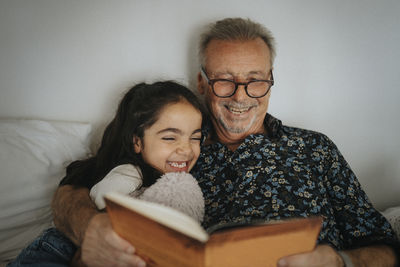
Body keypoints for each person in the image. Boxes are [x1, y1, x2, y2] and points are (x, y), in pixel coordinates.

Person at [52, 18, 399, 267]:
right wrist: (90, 228)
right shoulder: (176, 148)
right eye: (225, 81)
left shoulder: (315, 148)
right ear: (202, 84)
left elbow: (386, 248)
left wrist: (341, 261)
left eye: (255, 80)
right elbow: (74, 189)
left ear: (270, 81)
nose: (241, 96)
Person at [8, 81, 205, 266]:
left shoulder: (171, 181)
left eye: (195, 138)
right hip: (57, 251)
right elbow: (105, 213)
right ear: (137, 141)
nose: (186, 149)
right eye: (170, 138)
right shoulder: (129, 174)